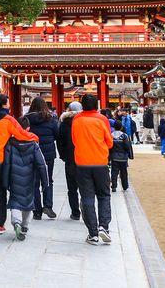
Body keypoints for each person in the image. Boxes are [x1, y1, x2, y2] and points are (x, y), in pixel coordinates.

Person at [0, 93, 39, 240]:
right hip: (2, 161)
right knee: (1, 192)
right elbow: (21, 134)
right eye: (8, 103)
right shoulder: (8, 120)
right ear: (4, 105)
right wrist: (35, 137)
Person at [72, 94, 114, 245]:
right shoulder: (102, 119)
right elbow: (109, 142)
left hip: (82, 163)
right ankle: (104, 227)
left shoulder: (76, 120)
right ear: (96, 105)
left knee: (87, 198)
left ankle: (93, 233)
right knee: (104, 195)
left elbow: (74, 140)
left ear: (82, 105)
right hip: (100, 163)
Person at [2, 133, 49, 241]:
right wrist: (45, 182)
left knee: (15, 202)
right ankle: (25, 225)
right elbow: (42, 165)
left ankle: (16, 223)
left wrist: (5, 182)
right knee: (28, 203)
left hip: (14, 178)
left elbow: (7, 164)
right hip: (29, 179)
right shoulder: (33, 145)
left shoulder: (11, 144)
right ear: (28, 129)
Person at [21, 97, 59, 220]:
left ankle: (37, 210)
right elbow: (56, 135)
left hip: (32, 153)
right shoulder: (51, 119)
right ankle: (48, 205)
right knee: (48, 180)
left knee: (34, 182)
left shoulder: (26, 119)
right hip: (48, 154)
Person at [55, 101, 82, 221]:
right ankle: (86, 209)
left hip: (70, 159)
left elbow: (60, 141)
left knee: (72, 188)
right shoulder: (83, 121)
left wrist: (63, 155)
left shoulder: (64, 123)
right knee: (85, 187)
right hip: (84, 158)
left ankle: (75, 212)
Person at [110, 120, 134, 192]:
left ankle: (114, 186)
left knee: (114, 172)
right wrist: (129, 155)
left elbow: (109, 146)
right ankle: (125, 186)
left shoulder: (111, 135)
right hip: (123, 157)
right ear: (121, 127)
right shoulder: (124, 136)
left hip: (114, 157)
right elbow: (127, 146)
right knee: (123, 172)